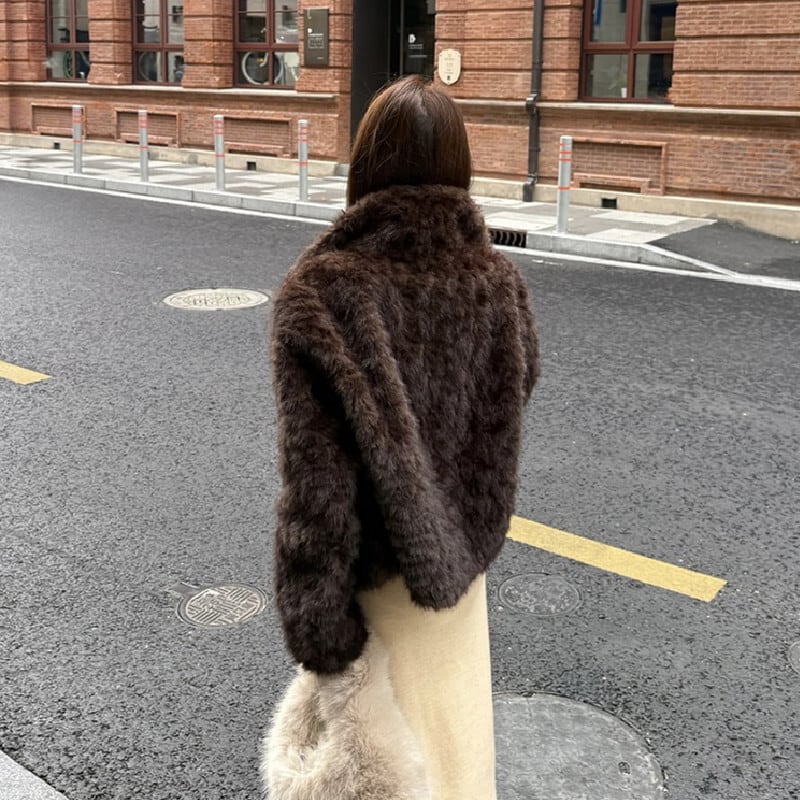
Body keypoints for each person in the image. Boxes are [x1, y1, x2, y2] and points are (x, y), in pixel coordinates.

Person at [268, 74, 539, 799]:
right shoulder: (498, 280)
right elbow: (515, 393)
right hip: (461, 581)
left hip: (379, 594)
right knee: (459, 763)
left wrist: (319, 628)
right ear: (460, 166)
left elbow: (316, 485)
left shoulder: (324, 293)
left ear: (365, 167)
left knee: (385, 774)